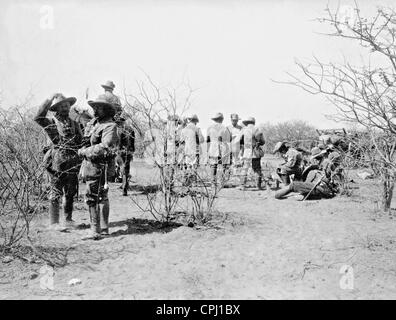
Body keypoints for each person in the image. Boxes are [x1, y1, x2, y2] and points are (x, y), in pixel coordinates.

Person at [34, 93, 83, 230]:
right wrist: (49, 100)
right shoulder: (51, 122)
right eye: (61, 106)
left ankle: (68, 220)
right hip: (56, 162)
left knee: (70, 192)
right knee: (55, 191)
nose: (65, 108)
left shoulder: (75, 124)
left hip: (72, 161)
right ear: (56, 108)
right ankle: (54, 223)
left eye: (67, 105)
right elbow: (38, 117)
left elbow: (81, 141)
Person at [78, 94, 118, 240]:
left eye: (99, 107)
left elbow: (104, 146)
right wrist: (83, 147)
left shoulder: (110, 126)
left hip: (100, 166)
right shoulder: (95, 124)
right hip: (91, 165)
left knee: (94, 197)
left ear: (106, 110)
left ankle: (96, 230)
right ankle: (103, 228)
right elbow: (85, 140)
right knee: (98, 196)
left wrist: (84, 152)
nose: (95, 110)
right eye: (94, 107)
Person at [275, 147, 342, 200]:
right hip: (317, 187)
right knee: (299, 188)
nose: (316, 159)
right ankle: (304, 194)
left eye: (316, 157)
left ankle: (280, 194)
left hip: (321, 187)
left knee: (293, 185)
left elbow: (332, 178)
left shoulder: (326, 163)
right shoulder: (320, 163)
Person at [238, 117, 265, 190]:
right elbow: (263, 142)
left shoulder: (243, 130)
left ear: (247, 122)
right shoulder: (257, 129)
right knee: (257, 169)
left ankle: (242, 185)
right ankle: (258, 185)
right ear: (254, 122)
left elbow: (239, 140)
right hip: (255, 152)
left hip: (246, 152)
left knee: (244, 168)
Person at [206, 112, 232, 188]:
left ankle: (213, 183)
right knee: (223, 166)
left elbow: (207, 139)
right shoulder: (225, 128)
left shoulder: (210, 128)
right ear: (222, 119)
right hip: (223, 147)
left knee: (213, 166)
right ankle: (221, 182)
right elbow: (229, 139)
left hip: (213, 148)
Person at [114, 111, 135, 196]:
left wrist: (117, 150)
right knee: (126, 169)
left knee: (122, 169)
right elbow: (133, 142)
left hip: (121, 151)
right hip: (128, 151)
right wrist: (131, 151)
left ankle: (124, 187)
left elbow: (118, 142)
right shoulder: (130, 128)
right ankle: (124, 186)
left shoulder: (119, 129)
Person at [179, 114, 204, 185]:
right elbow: (201, 140)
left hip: (187, 150)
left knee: (188, 166)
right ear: (195, 121)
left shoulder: (184, 130)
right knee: (194, 166)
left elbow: (181, 141)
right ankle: (194, 182)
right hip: (195, 150)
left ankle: (187, 181)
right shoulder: (197, 129)